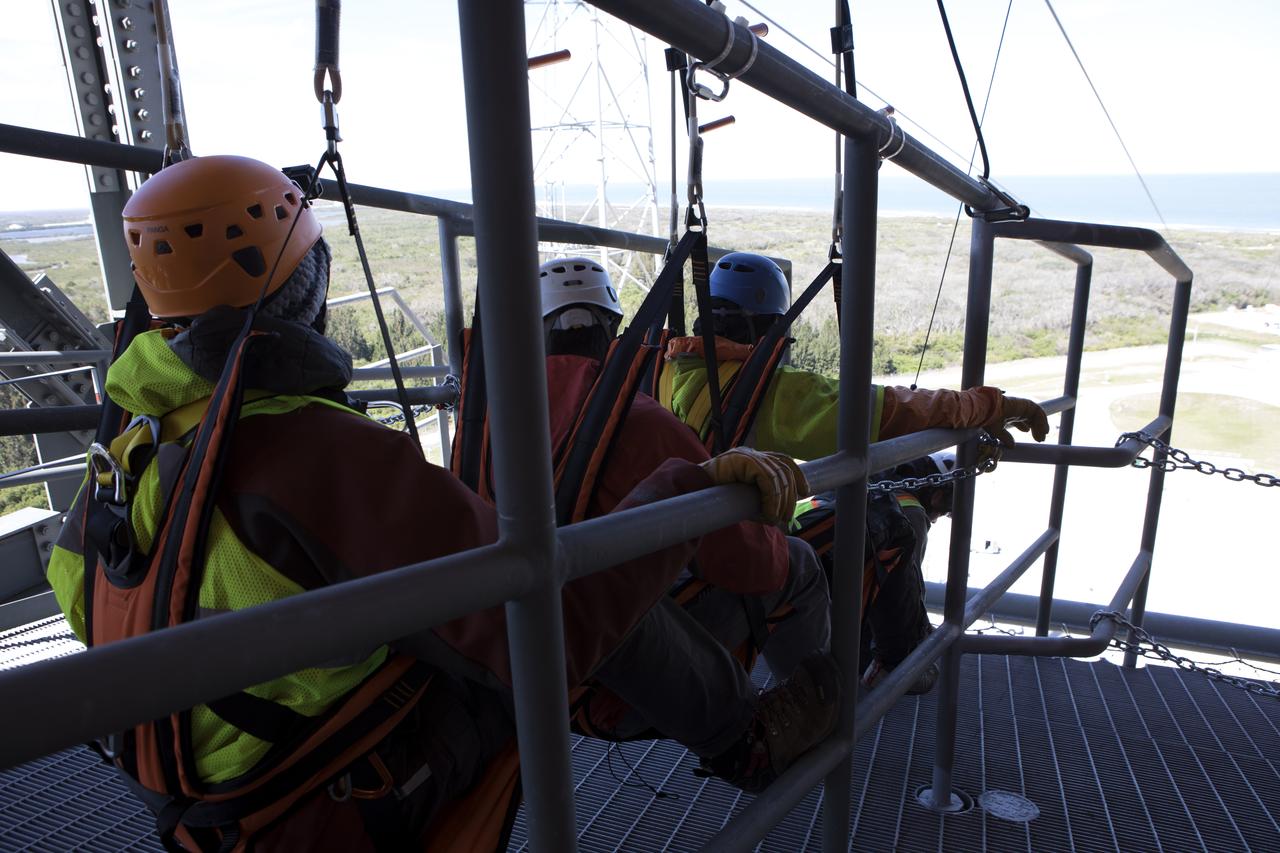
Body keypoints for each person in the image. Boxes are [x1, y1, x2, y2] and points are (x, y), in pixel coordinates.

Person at [43, 157, 839, 851]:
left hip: (207, 803)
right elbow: (545, 631)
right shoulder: (312, 451)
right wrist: (690, 488)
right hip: (333, 798)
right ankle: (747, 739)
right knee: (569, 573)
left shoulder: (133, 444)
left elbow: (87, 602)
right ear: (304, 293)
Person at [537, 258, 831, 695]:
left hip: (522, 649)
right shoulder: (639, 423)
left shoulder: (487, 423)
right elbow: (750, 559)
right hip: (604, 658)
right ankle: (807, 715)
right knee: (799, 563)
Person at [656, 251, 1051, 457]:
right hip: (733, 556)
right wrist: (991, 407)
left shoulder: (665, 365)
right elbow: (897, 411)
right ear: (772, 326)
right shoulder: (778, 394)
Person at [860, 451, 959, 694]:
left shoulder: (871, 481)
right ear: (936, 495)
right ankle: (878, 670)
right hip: (839, 620)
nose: (936, 519)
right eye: (944, 509)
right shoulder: (911, 514)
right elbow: (901, 589)